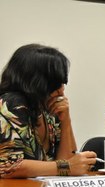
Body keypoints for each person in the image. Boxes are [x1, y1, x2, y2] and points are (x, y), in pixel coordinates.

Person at [0, 44, 97, 178]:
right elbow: (9, 166)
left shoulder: (47, 107)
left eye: (62, 83)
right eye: (55, 84)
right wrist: (66, 167)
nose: (62, 90)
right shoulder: (10, 104)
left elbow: (68, 161)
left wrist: (66, 120)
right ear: (35, 83)